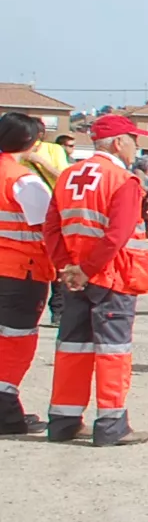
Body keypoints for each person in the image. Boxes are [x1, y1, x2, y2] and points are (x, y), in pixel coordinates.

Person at [41, 114, 148, 445]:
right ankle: (111, 425)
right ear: (119, 143)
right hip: (112, 278)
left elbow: (51, 228)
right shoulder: (123, 180)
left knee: (72, 349)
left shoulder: (68, 176)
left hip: (75, 279)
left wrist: (68, 268)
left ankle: (63, 422)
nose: (137, 147)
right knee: (113, 351)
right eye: (135, 140)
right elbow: (117, 235)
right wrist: (88, 269)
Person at [0, 113, 57, 435]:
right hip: (22, 273)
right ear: (33, 143)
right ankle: (6, 414)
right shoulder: (23, 180)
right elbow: (48, 226)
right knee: (15, 343)